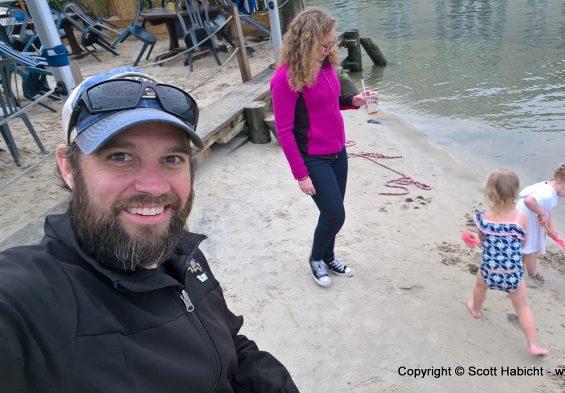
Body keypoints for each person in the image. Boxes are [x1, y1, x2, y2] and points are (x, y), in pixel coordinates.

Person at [0, 68, 299, 392]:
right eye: (120, 156)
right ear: (69, 167)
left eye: (172, 158)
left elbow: (231, 347)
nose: (154, 187)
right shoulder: (33, 298)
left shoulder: (182, 252)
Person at [270, 7, 370, 287]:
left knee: (332, 213)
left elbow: (331, 103)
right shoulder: (285, 78)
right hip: (313, 159)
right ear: (306, 41)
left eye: (331, 43)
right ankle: (316, 259)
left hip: (338, 154)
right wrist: (300, 175)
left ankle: (329, 256)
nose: (329, 49)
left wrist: (355, 101)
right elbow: (285, 131)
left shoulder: (326, 67)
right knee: (335, 214)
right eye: (323, 44)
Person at [463, 169, 549, 357]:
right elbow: (523, 244)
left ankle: (475, 308)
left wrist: (470, 239)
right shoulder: (522, 219)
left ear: (489, 194)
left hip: (489, 271)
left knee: (479, 285)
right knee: (523, 307)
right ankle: (533, 345)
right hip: (513, 274)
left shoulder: (483, 219)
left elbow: (482, 244)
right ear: (516, 195)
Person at [516, 163, 565, 279]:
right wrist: (542, 213)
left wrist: (551, 229)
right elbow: (529, 201)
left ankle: (517, 268)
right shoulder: (548, 195)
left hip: (521, 217)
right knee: (532, 251)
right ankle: (533, 275)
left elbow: (546, 209)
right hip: (527, 222)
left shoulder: (547, 186)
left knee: (523, 247)